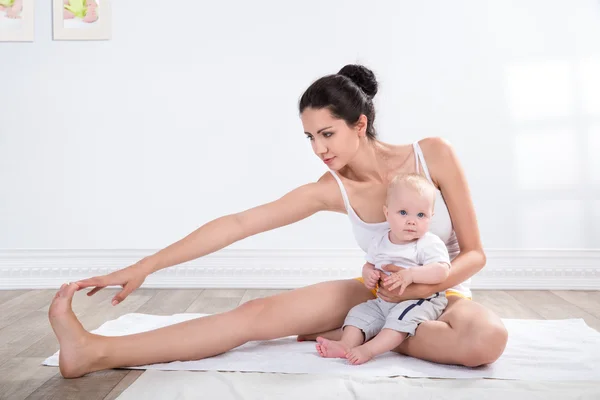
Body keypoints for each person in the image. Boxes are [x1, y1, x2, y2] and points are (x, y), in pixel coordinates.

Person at [48, 64, 508, 379]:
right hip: (375, 292)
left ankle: (352, 333)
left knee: (486, 341)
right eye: (310, 137)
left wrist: (422, 286)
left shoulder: (434, 155)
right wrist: (145, 265)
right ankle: (93, 351)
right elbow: (238, 223)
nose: (319, 149)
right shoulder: (330, 189)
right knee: (254, 316)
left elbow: (475, 254)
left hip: (444, 293)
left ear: (360, 124)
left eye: (327, 134)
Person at [316, 173, 451, 365]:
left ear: (431, 217)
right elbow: (369, 265)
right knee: (359, 312)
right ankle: (345, 344)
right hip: (384, 301)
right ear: (387, 213)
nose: (412, 221)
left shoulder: (428, 243)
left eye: (421, 215)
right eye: (403, 213)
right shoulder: (380, 241)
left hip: (421, 301)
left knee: (400, 319)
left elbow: (442, 271)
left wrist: (411, 274)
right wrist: (369, 274)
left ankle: (369, 349)